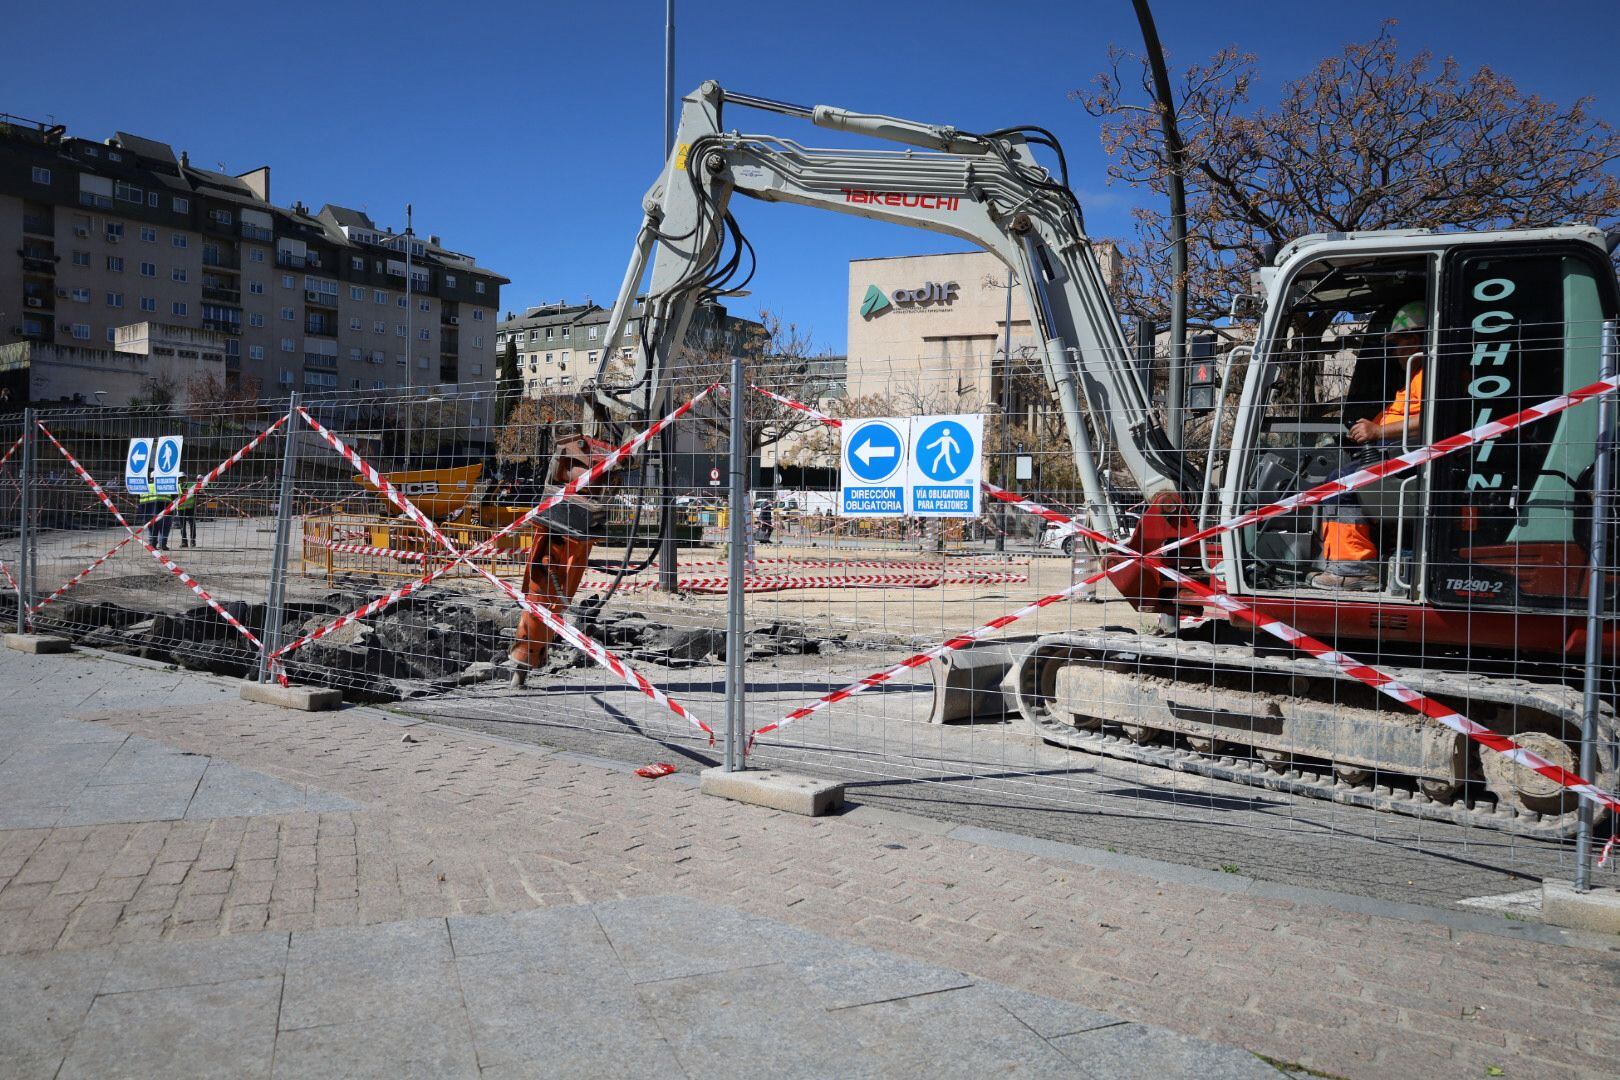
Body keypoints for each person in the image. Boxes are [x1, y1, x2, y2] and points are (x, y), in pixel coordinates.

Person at [1309, 300, 1428, 591]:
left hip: (1407, 460)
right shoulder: (1415, 378)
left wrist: (1376, 430)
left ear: (1414, 340)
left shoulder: (1429, 375)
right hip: (1397, 454)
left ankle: (1353, 570)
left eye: (1397, 342)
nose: (1394, 351)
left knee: (1341, 485)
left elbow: (1430, 419)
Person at [138, 480, 172, 552]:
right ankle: (163, 545)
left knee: (152, 530)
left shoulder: (145, 487)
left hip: (148, 512)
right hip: (164, 511)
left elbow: (139, 499)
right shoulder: (166, 486)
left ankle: (152, 545)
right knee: (164, 529)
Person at [174, 474, 198, 549]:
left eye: (182, 478)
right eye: (181, 478)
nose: (181, 480)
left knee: (189, 525)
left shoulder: (179, 486)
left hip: (188, 508)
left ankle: (190, 541)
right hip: (184, 508)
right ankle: (187, 542)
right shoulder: (178, 486)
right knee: (185, 526)